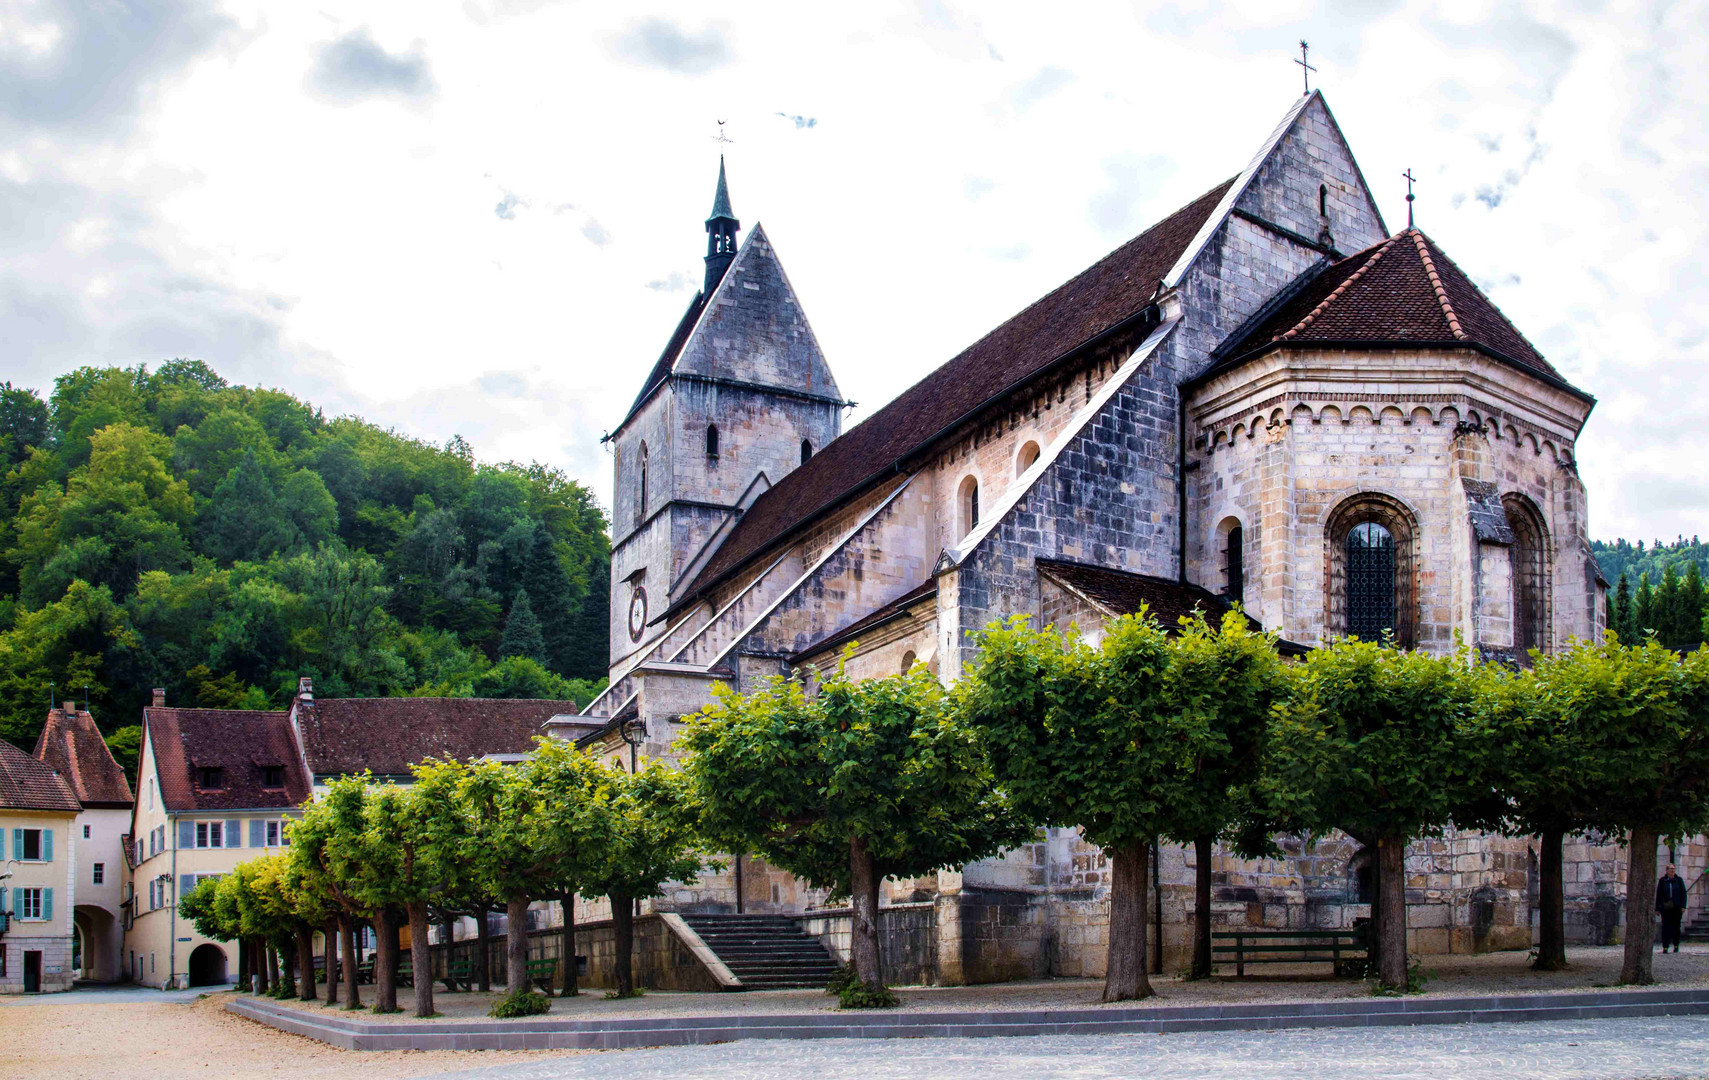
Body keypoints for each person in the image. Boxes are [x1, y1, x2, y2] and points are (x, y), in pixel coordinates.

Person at [1656, 863, 1688, 953]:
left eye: (1674, 869)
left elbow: (1683, 894)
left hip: (1676, 907)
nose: (1672, 871)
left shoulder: (1679, 880)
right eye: (1670, 869)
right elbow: (1659, 895)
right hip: (1666, 907)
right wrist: (1657, 908)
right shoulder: (1663, 881)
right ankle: (1665, 946)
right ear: (1667, 870)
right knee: (1666, 926)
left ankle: (1676, 945)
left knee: (1676, 927)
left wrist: (1683, 906)